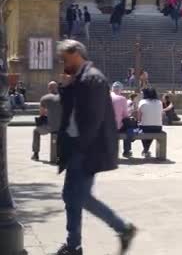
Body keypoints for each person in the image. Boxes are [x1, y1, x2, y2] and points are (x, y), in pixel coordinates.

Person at [54, 40, 136, 255]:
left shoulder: (93, 79)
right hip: (76, 146)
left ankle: (122, 228)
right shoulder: (80, 78)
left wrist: (80, 147)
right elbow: (70, 110)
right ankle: (74, 245)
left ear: (76, 54)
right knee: (71, 196)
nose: (63, 62)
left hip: (85, 149)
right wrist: (65, 88)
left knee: (79, 197)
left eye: (65, 58)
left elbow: (93, 120)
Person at [32, 81, 61, 161]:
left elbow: (41, 113)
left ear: (49, 89)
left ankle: (36, 154)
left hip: (49, 127)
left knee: (36, 131)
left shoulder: (44, 98)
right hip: (62, 127)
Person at [110, 82, 135, 159]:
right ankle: (127, 150)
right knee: (128, 126)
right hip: (116, 127)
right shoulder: (122, 99)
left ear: (112, 89)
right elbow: (125, 115)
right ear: (121, 90)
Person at [137, 88, 163, 158]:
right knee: (151, 128)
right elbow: (161, 115)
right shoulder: (159, 102)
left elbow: (139, 118)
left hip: (145, 128)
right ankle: (146, 150)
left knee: (141, 127)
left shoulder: (142, 102)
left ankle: (146, 149)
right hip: (158, 127)